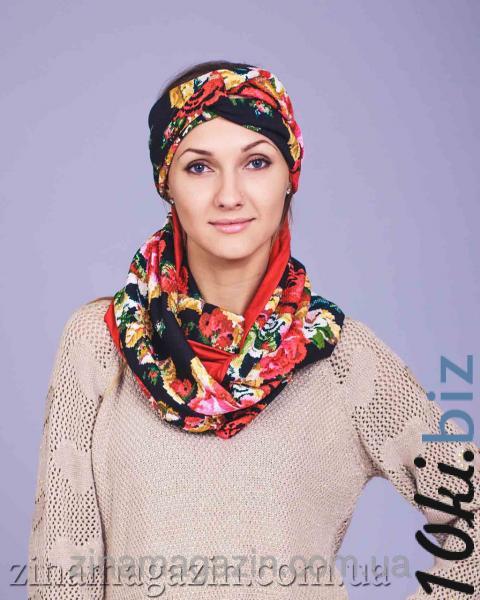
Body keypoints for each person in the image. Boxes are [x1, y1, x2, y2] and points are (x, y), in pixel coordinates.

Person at [27, 60, 479, 599]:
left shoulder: (341, 357)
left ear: (290, 176)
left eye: (257, 162)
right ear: (166, 183)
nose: (229, 194)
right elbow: (61, 572)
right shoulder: (101, 342)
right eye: (199, 167)